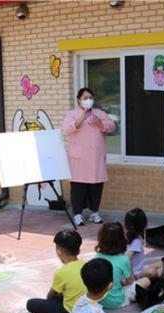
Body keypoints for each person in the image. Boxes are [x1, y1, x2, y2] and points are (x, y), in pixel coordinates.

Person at [62, 87, 116, 227]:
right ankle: (77, 214)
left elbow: (112, 126)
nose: (88, 100)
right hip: (79, 159)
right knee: (78, 188)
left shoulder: (99, 113)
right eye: (85, 98)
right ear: (79, 100)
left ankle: (94, 213)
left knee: (96, 187)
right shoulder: (72, 114)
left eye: (91, 98)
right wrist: (83, 117)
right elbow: (66, 129)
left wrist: (100, 123)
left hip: (95, 158)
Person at [26, 229, 85, 313]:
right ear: (78, 249)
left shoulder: (62, 272)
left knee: (30, 304)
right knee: (62, 294)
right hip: (86, 309)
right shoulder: (86, 265)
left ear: (59, 251)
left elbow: (50, 296)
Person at [95, 222, 150, 309]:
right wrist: (122, 282)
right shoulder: (124, 259)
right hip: (118, 301)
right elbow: (131, 282)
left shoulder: (97, 256)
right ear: (121, 240)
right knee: (146, 281)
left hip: (101, 300)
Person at [124, 208, 164, 280]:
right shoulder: (136, 241)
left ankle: (155, 277)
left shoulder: (130, 237)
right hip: (135, 272)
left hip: (139, 268)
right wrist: (131, 276)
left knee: (162, 263)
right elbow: (125, 259)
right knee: (152, 272)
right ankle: (155, 280)